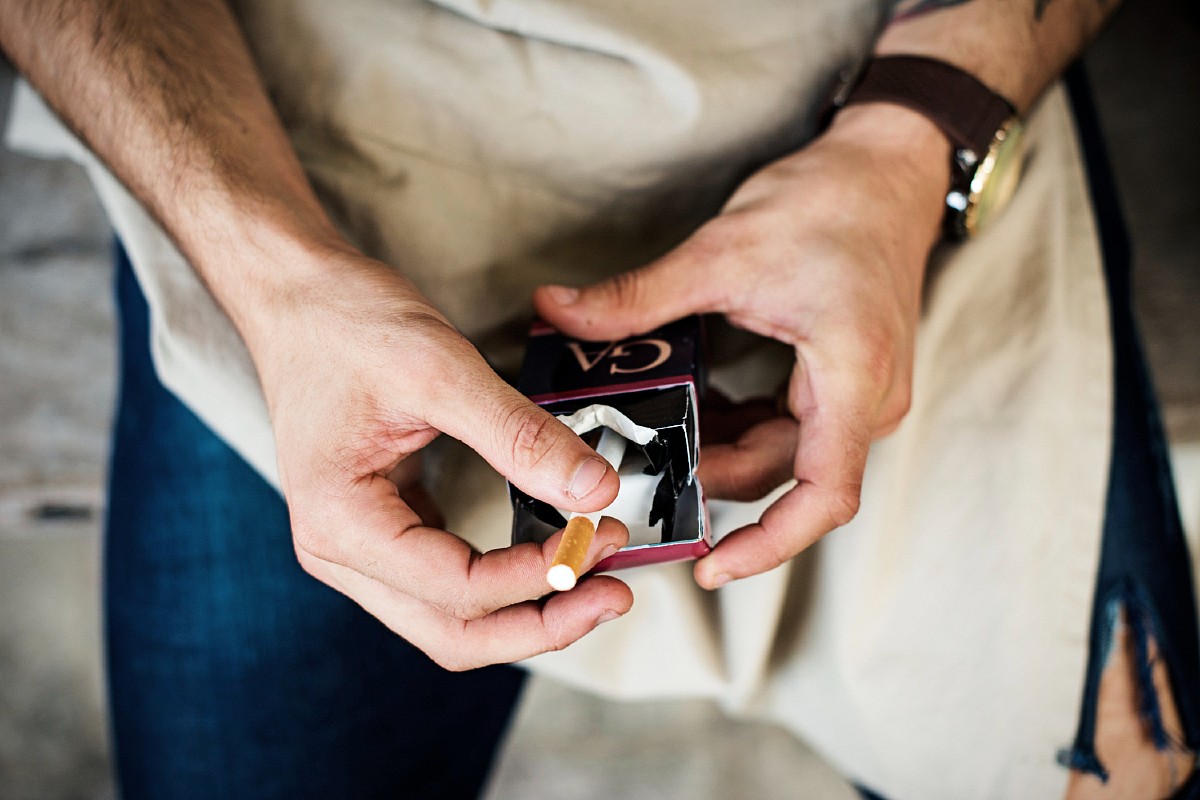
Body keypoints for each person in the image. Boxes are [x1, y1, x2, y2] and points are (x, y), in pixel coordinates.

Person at [2, 0, 1197, 796]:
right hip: (292, 202)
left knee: (1095, 753)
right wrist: (270, 271)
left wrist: (917, 126)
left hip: (881, 146)